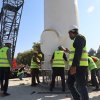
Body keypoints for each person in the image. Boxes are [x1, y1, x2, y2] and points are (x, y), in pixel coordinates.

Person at [66, 25, 89, 100]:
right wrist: (68, 52)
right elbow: (74, 52)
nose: (69, 35)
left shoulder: (80, 38)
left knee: (81, 86)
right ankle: (77, 98)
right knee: (69, 83)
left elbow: (78, 52)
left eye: (69, 34)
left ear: (72, 32)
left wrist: (74, 66)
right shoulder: (76, 39)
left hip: (79, 67)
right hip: (75, 66)